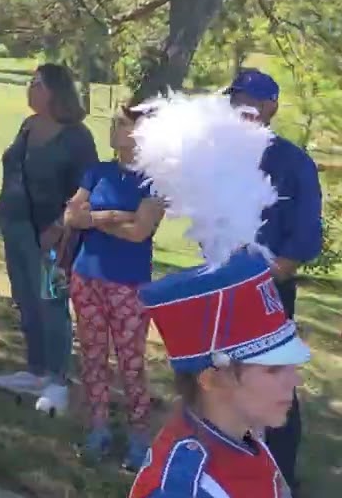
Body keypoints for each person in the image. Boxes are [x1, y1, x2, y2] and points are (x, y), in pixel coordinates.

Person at [127, 92, 307, 498]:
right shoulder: (187, 487)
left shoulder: (248, 440)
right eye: (273, 369)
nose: (294, 380)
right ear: (213, 378)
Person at [224, 68, 321, 494]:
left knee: (272, 378)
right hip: (222, 286)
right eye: (235, 99)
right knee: (225, 376)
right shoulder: (220, 155)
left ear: (270, 107)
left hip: (268, 290)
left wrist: (270, 272)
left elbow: (303, 239)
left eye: (249, 100)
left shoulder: (294, 162)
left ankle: (280, 475)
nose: (240, 108)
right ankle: (232, 466)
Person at [0, 64, 98, 413]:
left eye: (37, 84)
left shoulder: (77, 137)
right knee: (25, 298)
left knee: (51, 302)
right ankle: (35, 369)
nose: (30, 88)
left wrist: (59, 226)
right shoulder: (28, 126)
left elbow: (86, 190)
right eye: (30, 82)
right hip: (17, 225)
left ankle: (57, 379)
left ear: (56, 91)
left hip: (55, 237)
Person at [62, 105, 165, 469]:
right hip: (86, 277)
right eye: (114, 123)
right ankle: (98, 427)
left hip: (128, 284)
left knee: (131, 362)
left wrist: (93, 219)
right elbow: (71, 216)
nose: (114, 129)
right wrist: (113, 216)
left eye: (122, 124)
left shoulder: (155, 182)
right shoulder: (97, 171)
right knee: (92, 357)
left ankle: (139, 438)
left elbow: (140, 233)